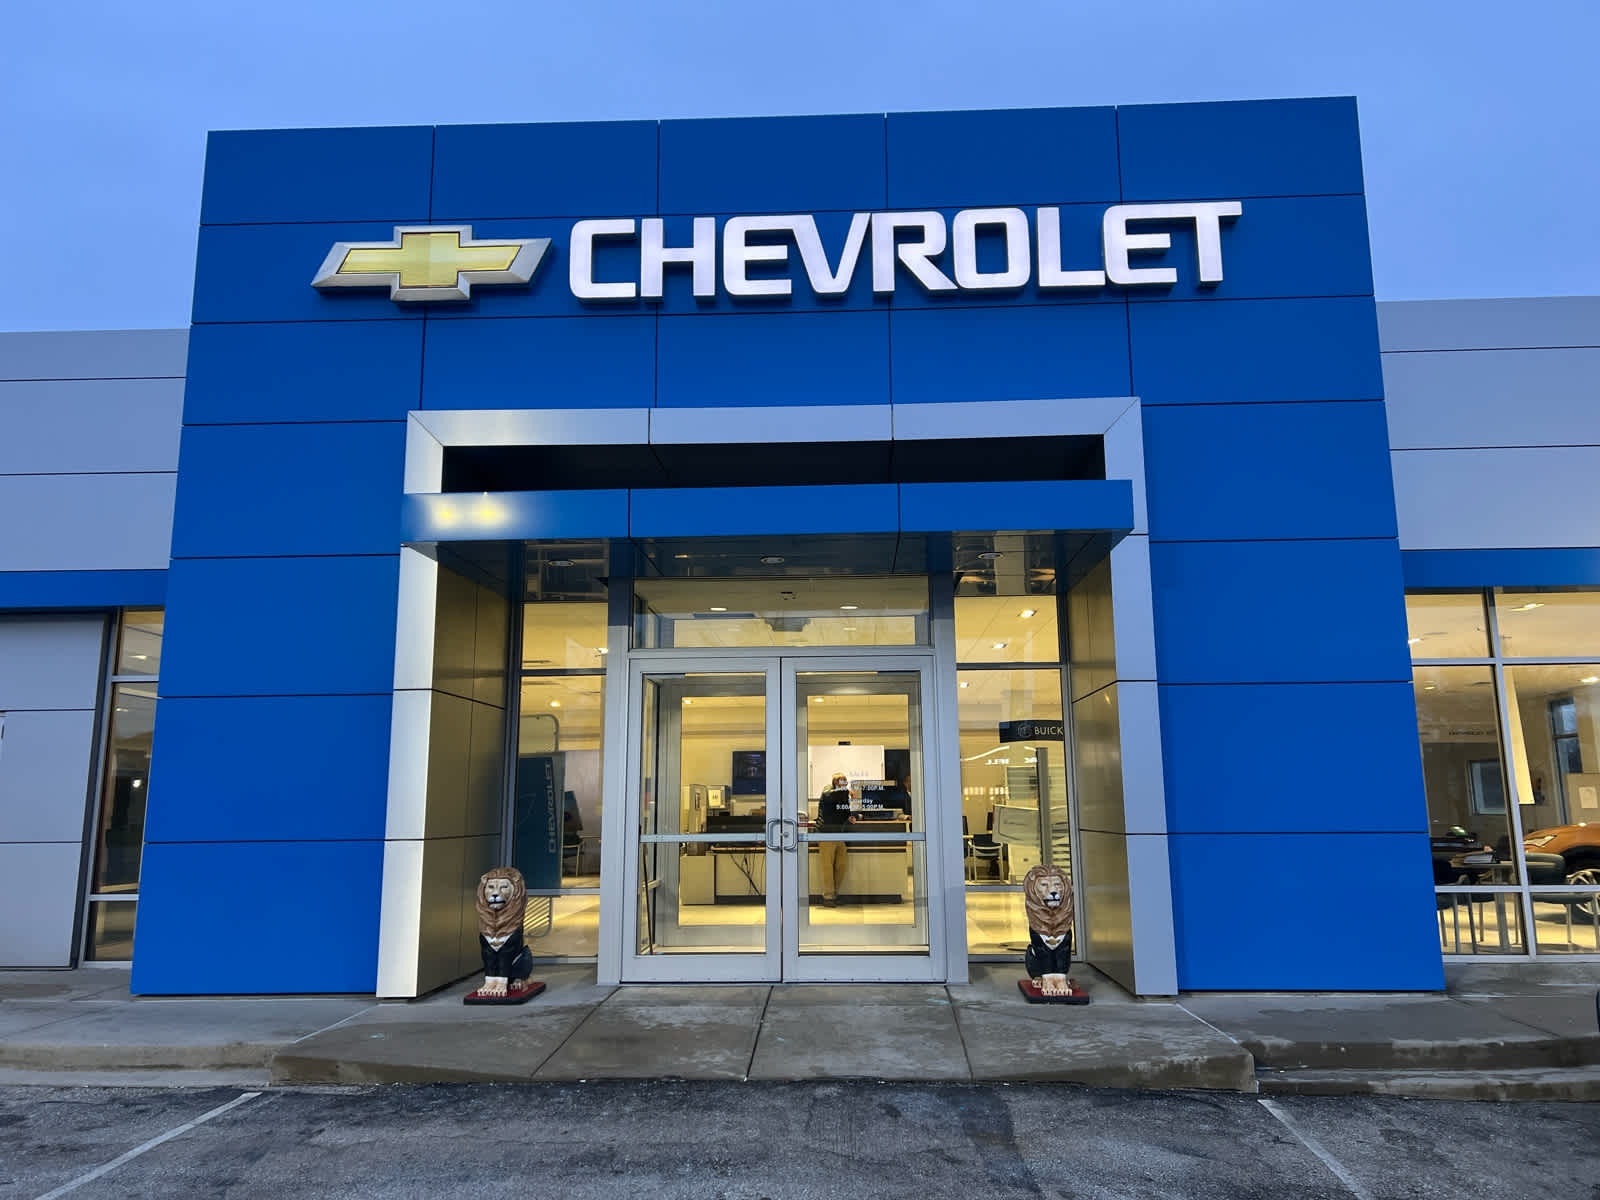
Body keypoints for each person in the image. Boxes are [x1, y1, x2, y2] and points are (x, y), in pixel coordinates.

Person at [815, 771, 855, 906]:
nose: (845, 784)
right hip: (826, 834)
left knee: (841, 866)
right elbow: (829, 796)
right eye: (843, 781)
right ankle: (828, 897)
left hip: (839, 834)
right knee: (827, 868)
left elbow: (845, 812)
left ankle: (834, 894)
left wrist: (853, 816)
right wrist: (846, 791)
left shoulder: (843, 795)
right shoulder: (828, 790)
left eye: (846, 781)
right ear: (835, 782)